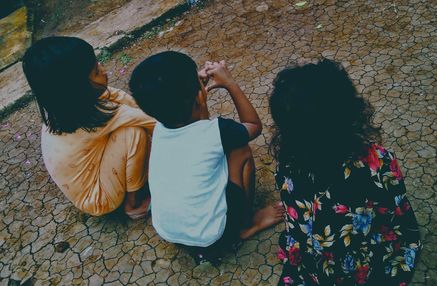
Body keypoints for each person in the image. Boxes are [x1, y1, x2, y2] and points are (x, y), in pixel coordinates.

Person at [270, 59, 421, 285]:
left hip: (313, 263)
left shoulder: (287, 165)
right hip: (356, 267)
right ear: (351, 113)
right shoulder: (377, 163)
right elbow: (395, 210)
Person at [129, 51, 284, 264]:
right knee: (241, 150)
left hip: (171, 233)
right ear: (199, 96)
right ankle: (247, 225)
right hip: (212, 236)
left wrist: (193, 90)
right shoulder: (218, 131)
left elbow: (190, 116)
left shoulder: (159, 127)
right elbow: (254, 126)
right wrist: (229, 83)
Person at [22, 36, 154, 218]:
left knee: (119, 105)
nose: (103, 70)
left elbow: (128, 106)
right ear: (76, 88)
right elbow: (155, 121)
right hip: (99, 199)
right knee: (133, 133)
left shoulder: (63, 110)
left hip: (93, 180)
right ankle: (134, 204)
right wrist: (188, 96)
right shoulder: (94, 118)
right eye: (95, 71)